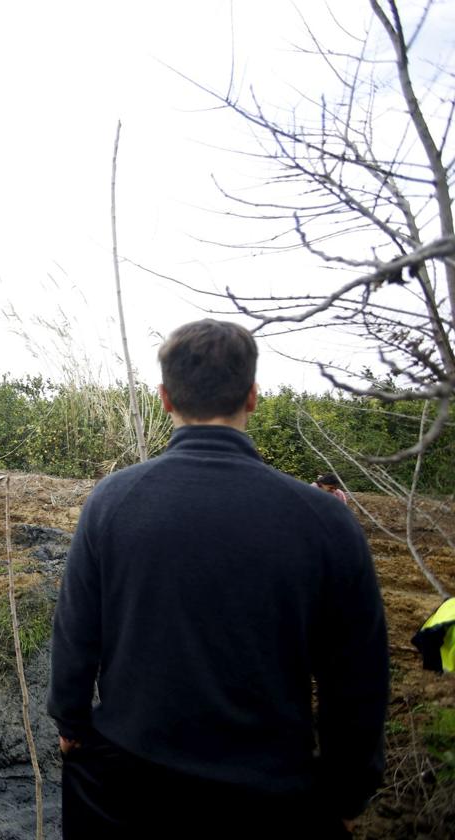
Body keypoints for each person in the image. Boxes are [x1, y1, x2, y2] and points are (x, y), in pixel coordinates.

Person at [47, 320, 388, 839]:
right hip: (270, 800)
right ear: (252, 396)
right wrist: (347, 792)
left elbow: (75, 636)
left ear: (164, 398)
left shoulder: (112, 503)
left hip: (130, 796)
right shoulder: (324, 520)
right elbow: (357, 681)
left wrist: (70, 723)